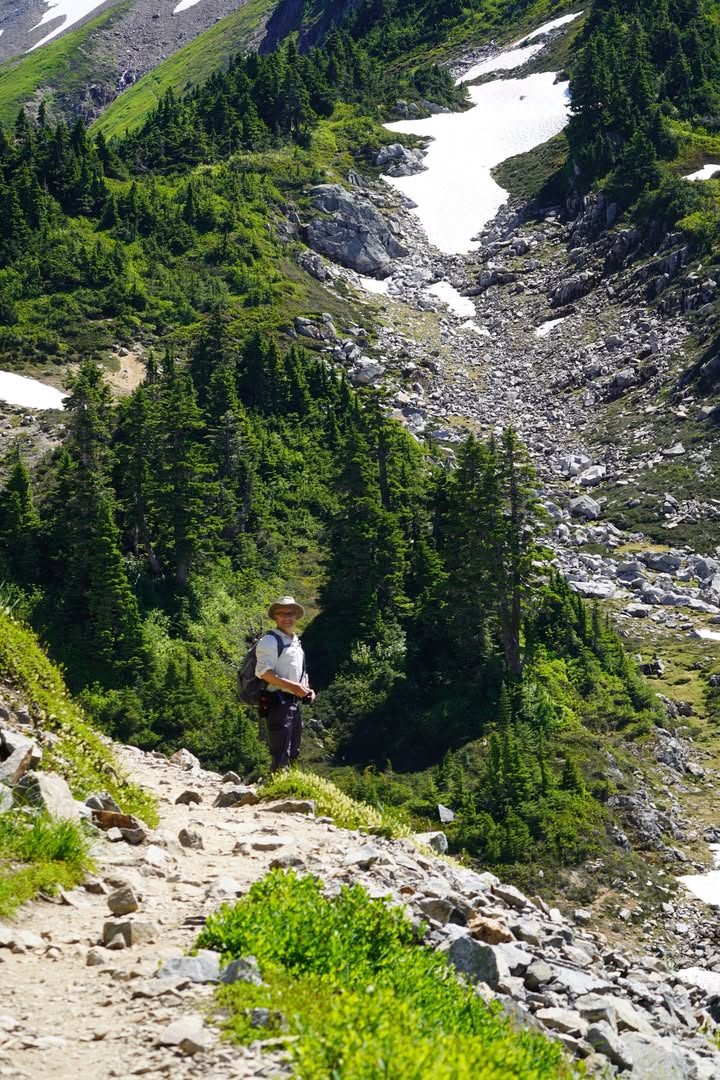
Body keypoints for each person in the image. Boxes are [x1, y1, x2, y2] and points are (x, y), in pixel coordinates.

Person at [255, 596, 315, 772]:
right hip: (278, 702)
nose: (287, 618)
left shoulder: (295, 642)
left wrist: (307, 688)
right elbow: (263, 672)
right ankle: (277, 792)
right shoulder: (270, 641)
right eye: (282, 614)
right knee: (280, 752)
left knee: (293, 751)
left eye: (291, 613)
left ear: (296, 616)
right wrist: (293, 687)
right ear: (275, 617)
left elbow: (299, 671)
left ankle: (290, 788)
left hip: (293, 703)